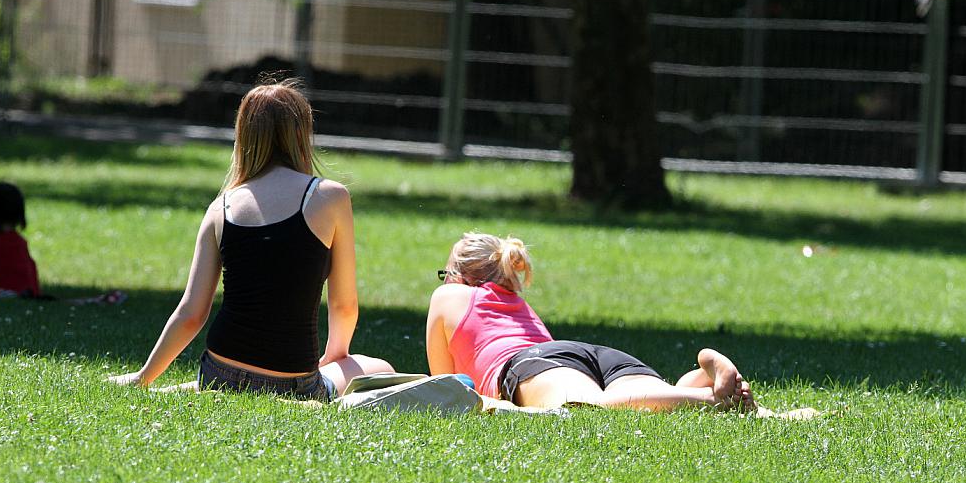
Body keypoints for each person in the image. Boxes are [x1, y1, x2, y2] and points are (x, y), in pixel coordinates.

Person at [108, 79, 394, 400]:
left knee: (229, 379)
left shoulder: (221, 207)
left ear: (243, 134)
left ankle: (199, 387)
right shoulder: (330, 197)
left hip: (219, 369)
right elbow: (344, 305)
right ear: (302, 134)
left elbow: (191, 314)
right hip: (293, 383)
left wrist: (143, 377)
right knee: (378, 367)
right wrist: (333, 357)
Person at [425, 232, 755, 412]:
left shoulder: (447, 296)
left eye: (446, 274)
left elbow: (444, 386)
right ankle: (706, 378)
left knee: (587, 408)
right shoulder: (517, 302)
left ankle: (713, 399)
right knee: (654, 399)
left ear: (458, 275)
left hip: (531, 364)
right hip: (580, 356)